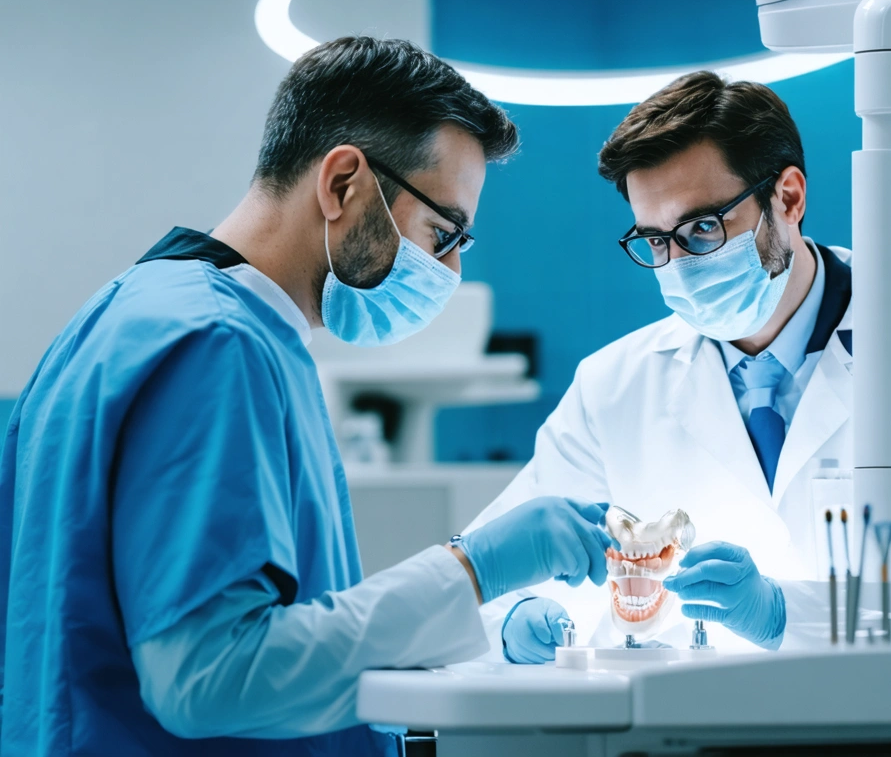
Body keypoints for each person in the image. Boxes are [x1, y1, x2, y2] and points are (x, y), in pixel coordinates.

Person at [0, 37, 616, 757]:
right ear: (344, 183)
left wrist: (480, 623)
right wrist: (473, 570)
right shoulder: (218, 346)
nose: (448, 271)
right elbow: (207, 677)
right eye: (442, 233)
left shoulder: (127, 315)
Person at [466, 71, 891, 663]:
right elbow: (491, 571)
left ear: (788, 197)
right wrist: (514, 619)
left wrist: (786, 614)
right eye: (655, 241)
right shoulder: (614, 386)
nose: (677, 265)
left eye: (703, 228)